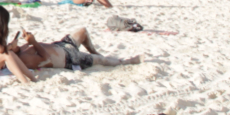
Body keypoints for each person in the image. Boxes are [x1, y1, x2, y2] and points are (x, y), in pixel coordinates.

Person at [13, 26, 142, 72]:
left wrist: (27, 40)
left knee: (83, 31)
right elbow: (45, 58)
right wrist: (34, 42)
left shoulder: (21, 49)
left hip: (61, 45)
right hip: (70, 59)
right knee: (101, 61)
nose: (13, 41)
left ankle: (95, 52)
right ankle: (126, 62)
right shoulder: (23, 59)